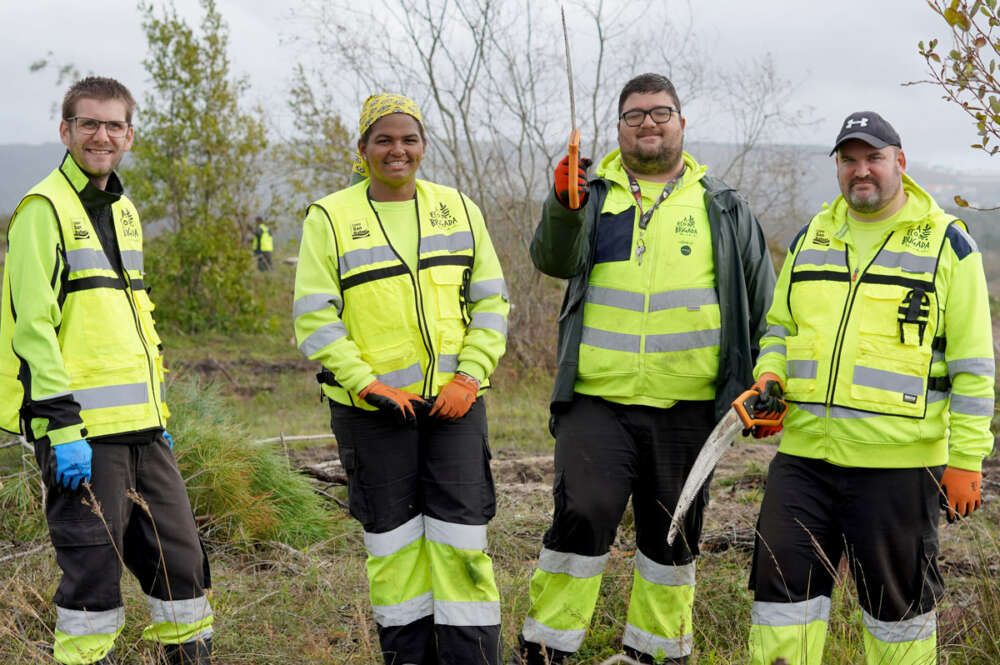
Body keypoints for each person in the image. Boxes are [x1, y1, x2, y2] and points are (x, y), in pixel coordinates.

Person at [517, 73, 776, 664]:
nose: (649, 123)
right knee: (583, 513)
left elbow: (766, 305)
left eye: (660, 112)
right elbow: (552, 259)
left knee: (673, 530)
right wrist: (563, 204)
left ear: (682, 123)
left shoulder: (725, 207)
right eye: (634, 116)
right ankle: (547, 648)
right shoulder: (593, 192)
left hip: (689, 406)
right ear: (618, 130)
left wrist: (768, 379)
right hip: (596, 398)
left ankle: (656, 653)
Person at [746, 111, 995, 665]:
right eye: (849, 159)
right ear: (838, 166)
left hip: (899, 468)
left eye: (873, 157)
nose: (862, 170)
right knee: (780, 600)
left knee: (897, 618)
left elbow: (974, 367)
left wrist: (967, 459)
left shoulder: (947, 246)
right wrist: (771, 378)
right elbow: (780, 330)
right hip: (804, 460)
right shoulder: (812, 237)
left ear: (899, 163)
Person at [0, 77, 213, 664]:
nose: (101, 135)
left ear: (130, 135)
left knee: (181, 564)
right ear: (65, 130)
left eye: (113, 124)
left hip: (143, 425)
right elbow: (32, 329)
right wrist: (60, 425)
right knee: (92, 580)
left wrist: (158, 409)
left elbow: (133, 318)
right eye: (88, 123)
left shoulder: (124, 210)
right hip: (82, 433)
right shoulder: (42, 210)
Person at [293, 93, 510, 665]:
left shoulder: (459, 209)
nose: (397, 150)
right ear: (362, 149)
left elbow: (491, 303)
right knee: (393, 548)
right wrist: (367, 384)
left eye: (408, 139)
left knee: (463, 544)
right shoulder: (331, 217)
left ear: (422, 146)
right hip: (374, 414)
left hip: (455, 410)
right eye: (383, 139)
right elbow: (316, 319)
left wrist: (471, 376)